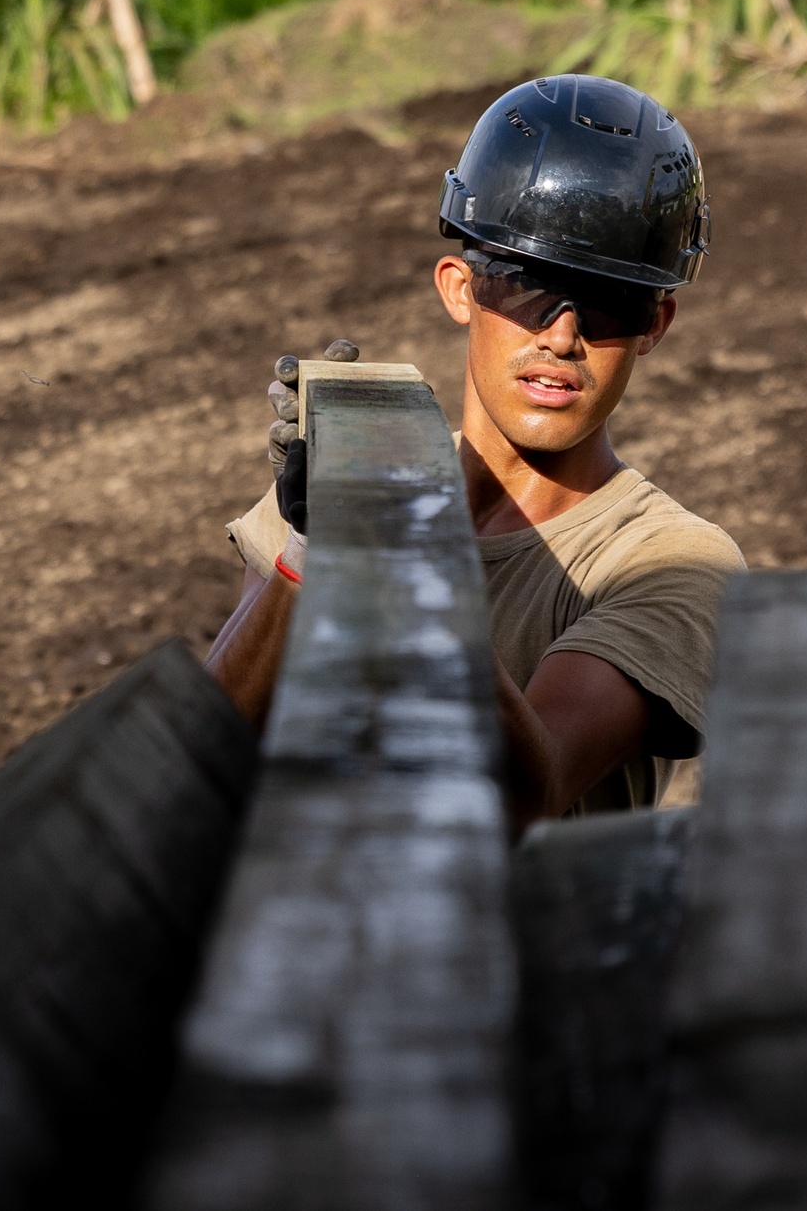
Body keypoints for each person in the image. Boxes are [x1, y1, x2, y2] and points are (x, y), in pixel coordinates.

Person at [205, 73, 746, 840]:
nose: (562, 334)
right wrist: (312, 550)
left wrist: (402, 540)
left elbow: (520, 793)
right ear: (461, 288)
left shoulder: (676, 564)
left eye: (606, 303)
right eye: (533, 289)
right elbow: (207, 760)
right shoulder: (347, 480)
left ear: (655, 323)